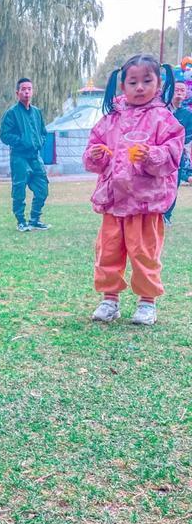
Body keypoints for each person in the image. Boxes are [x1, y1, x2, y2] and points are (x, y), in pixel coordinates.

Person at [83, 54, 183, 327]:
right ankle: (109, 299)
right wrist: (98, 154)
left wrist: (152, 155)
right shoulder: (110, 119)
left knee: (144, 253)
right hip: (114, 199)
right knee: (108, 251)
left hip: (145, 202)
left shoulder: (163, 118)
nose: (140, 87)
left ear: (158, 83)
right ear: (122, 85)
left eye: (146, 81)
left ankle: (147, 302)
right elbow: (95, 151)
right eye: (133, 82)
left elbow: (174, 154)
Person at [0, 78, 50, 232]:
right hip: (19, 156)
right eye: (23, 89)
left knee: (43, 187)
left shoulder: (37, 112)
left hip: (35, 156)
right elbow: (4, 134)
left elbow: (43, 132)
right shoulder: (11, 113)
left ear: (32, 91)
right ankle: (21, 221)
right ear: (17, 93)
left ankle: (35, 219)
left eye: (29, 89)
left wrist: (39, 142)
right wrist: (22, 141)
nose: (27, 92)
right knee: (19, 188)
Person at [163, 80, 192, 226]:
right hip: (160, 154)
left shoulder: (187, 115)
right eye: (177, 89)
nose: (180, 92)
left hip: (177, 155)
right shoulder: (162, 110)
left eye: (183, 90)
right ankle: (155, 213)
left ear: (186, 94)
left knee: (174, 185)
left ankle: (167, 215)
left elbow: (188, 136)